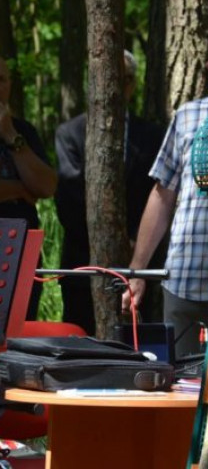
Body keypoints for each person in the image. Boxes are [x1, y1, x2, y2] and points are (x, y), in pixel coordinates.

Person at [120, 24, 208, 358]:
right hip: (184, 279)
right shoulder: (190, 115)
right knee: (180, 387)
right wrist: (138, 271)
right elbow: (162, 194)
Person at [54, 50, 165, 335]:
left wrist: (133, 243)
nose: (117, 86)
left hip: (138, 266)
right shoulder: (70, 134)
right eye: (109, 78)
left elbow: (158, 196)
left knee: (135, 347)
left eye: (125, 79)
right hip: (82, 265)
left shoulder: (153, 136)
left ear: (133, 84)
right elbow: (68, 201)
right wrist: (107, 241)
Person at [0, 57, 57, 320]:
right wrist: (19, 189)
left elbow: (46, 186)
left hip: (20, 254)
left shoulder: (23, 131)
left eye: (1, 80)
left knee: (18, 335)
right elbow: (31, 187)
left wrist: (11, 136)